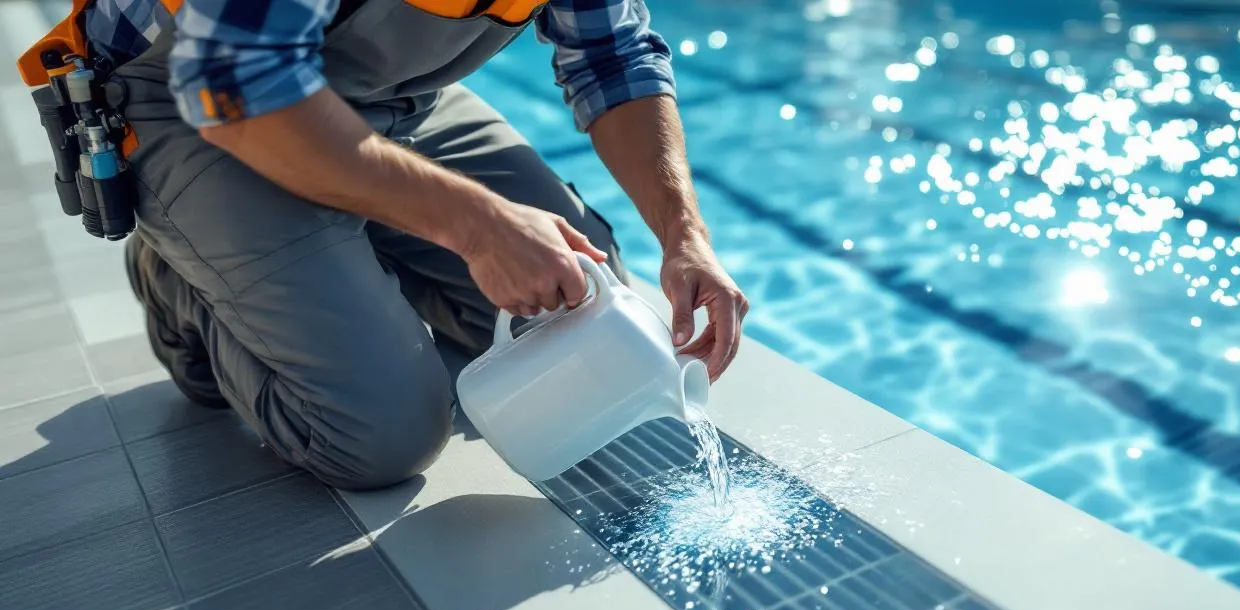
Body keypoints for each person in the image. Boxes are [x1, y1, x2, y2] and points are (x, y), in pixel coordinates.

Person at [79, 0, 748, 489]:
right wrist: (478, 226)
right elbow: (235, 82)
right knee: (380, 435)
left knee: (581, 304)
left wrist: (684, 234)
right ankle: (181, 285)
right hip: (192, 107)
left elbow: (613, 55)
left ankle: (351, 237)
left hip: (385, 97)